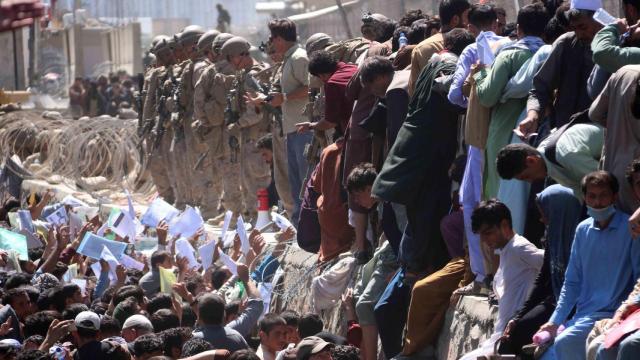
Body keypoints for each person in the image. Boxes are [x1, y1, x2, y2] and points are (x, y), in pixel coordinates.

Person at [537, 171, 640, 360]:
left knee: (565, 343)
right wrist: (554, 321)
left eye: (603, 196)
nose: (598, 202)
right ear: (584, 198)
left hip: (613, 314)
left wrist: (625, 313)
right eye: (592, 196)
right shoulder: (582, 229)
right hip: (583, 316)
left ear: (614, 197)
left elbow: (638, 278)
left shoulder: (631, 228)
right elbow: (572, 282)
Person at [499, 185, 583, 356]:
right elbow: (543, 278)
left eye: (545, 214)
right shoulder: (553, 235)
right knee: (513, 333)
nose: (542, 219)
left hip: (577, 306)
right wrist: (518, 316)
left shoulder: (581, 237)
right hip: (555, 299)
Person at [459, 200, 544, 360]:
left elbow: (553, 261)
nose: (484, 240)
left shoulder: (518, 248)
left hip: (515, 336)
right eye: (481, 235)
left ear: (504, 225)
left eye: (488, 232)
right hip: (500, 336)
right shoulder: (505, 251)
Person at [517, 1, 603, 139]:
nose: (579, 34)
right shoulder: (566, 43)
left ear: (599, 19)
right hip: (565, 132)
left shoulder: (619, 44)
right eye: (574, 28)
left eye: (583, 27)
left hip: (602, 135)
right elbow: (540, 87)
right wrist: (532, 115)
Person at [267, 19, 311, 228]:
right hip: (292, 129)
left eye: (273, 38)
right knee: (295, 184)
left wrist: (284, 97)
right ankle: (300, 228)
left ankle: (311, 228)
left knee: (305, 181)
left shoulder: (299, 58)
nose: (271, 43)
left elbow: (312, 89)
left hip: (303, 128)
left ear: (279, 38)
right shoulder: (288, 59)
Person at [496, 121, 604, 201]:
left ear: (531, 161)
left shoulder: (566, 156)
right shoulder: (548, 159)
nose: (530, 181)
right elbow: (581, 192)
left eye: (526, 177)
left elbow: (605, 181)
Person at [589, 65, 640, 214]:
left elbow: (595, 114)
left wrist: (618, 125)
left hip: (610, 169)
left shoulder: (625, 72)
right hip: (635, 177)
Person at [408, 0, 471, 94]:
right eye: (467, 16)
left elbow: (414, 91)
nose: (469, 22)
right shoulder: (471, 43)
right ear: (455, 19)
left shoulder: (422, 48)